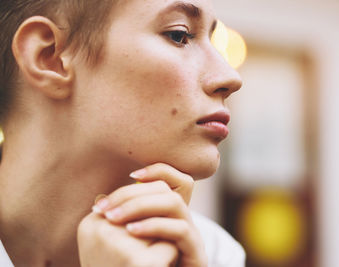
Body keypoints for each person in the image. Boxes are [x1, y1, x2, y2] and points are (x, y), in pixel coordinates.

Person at [0, 0, 243, 266]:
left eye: (212, 39)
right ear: (50, 57)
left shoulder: (214, 253)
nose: (230, 77)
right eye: (179, 35)